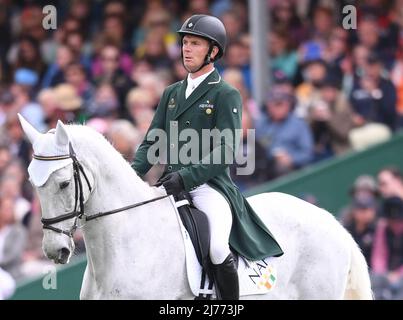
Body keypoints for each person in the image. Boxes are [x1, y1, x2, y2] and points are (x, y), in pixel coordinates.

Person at [131, 14, 283, 300]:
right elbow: (152, 141)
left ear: (213, 52)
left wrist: (186, 177)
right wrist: (129, 175)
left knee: (216, 248)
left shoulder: (226, 94)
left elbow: (225, 151)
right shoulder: (171, 93)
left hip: (208, 187)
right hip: (169, 185)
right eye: (185, 42)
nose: (187, 49)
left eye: (195, 44)